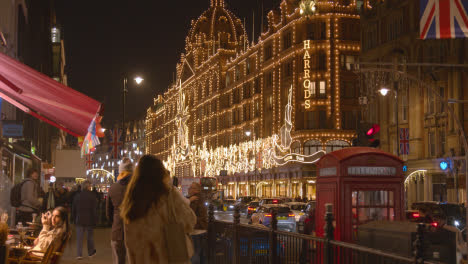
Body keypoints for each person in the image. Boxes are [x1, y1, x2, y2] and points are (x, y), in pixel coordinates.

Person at [120, 155, 196, 264]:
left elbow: (130, 243)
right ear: (160, 173)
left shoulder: (131, 201)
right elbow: (190, 221)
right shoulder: (169, 195)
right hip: (170, 257)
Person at [106, 157, 133, 264]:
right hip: (134, 231)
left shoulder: (112, 188)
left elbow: (108, 212)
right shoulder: (136, 188)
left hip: (117, 230)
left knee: (118, 260)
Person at [72, 180, 97, 260]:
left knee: (79, 238)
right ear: (88, 186)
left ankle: (79, 254)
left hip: (79, 219)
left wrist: (73, 218)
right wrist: (95, 219)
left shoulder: (77, 196)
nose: (91, 187)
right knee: (90, 237)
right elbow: (94, 209)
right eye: (90, 186)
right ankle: (90, 253)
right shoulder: (92, 196)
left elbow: (74, 208)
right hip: (89, 219)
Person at [188, 182, 208, 264]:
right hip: (201, 229)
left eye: (191, 187)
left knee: (194, 255)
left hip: (196, 230)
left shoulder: (194, 200)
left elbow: (189, 214)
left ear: (196, 190)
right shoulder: (200, 199)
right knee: (202, 255)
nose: (189, 189)